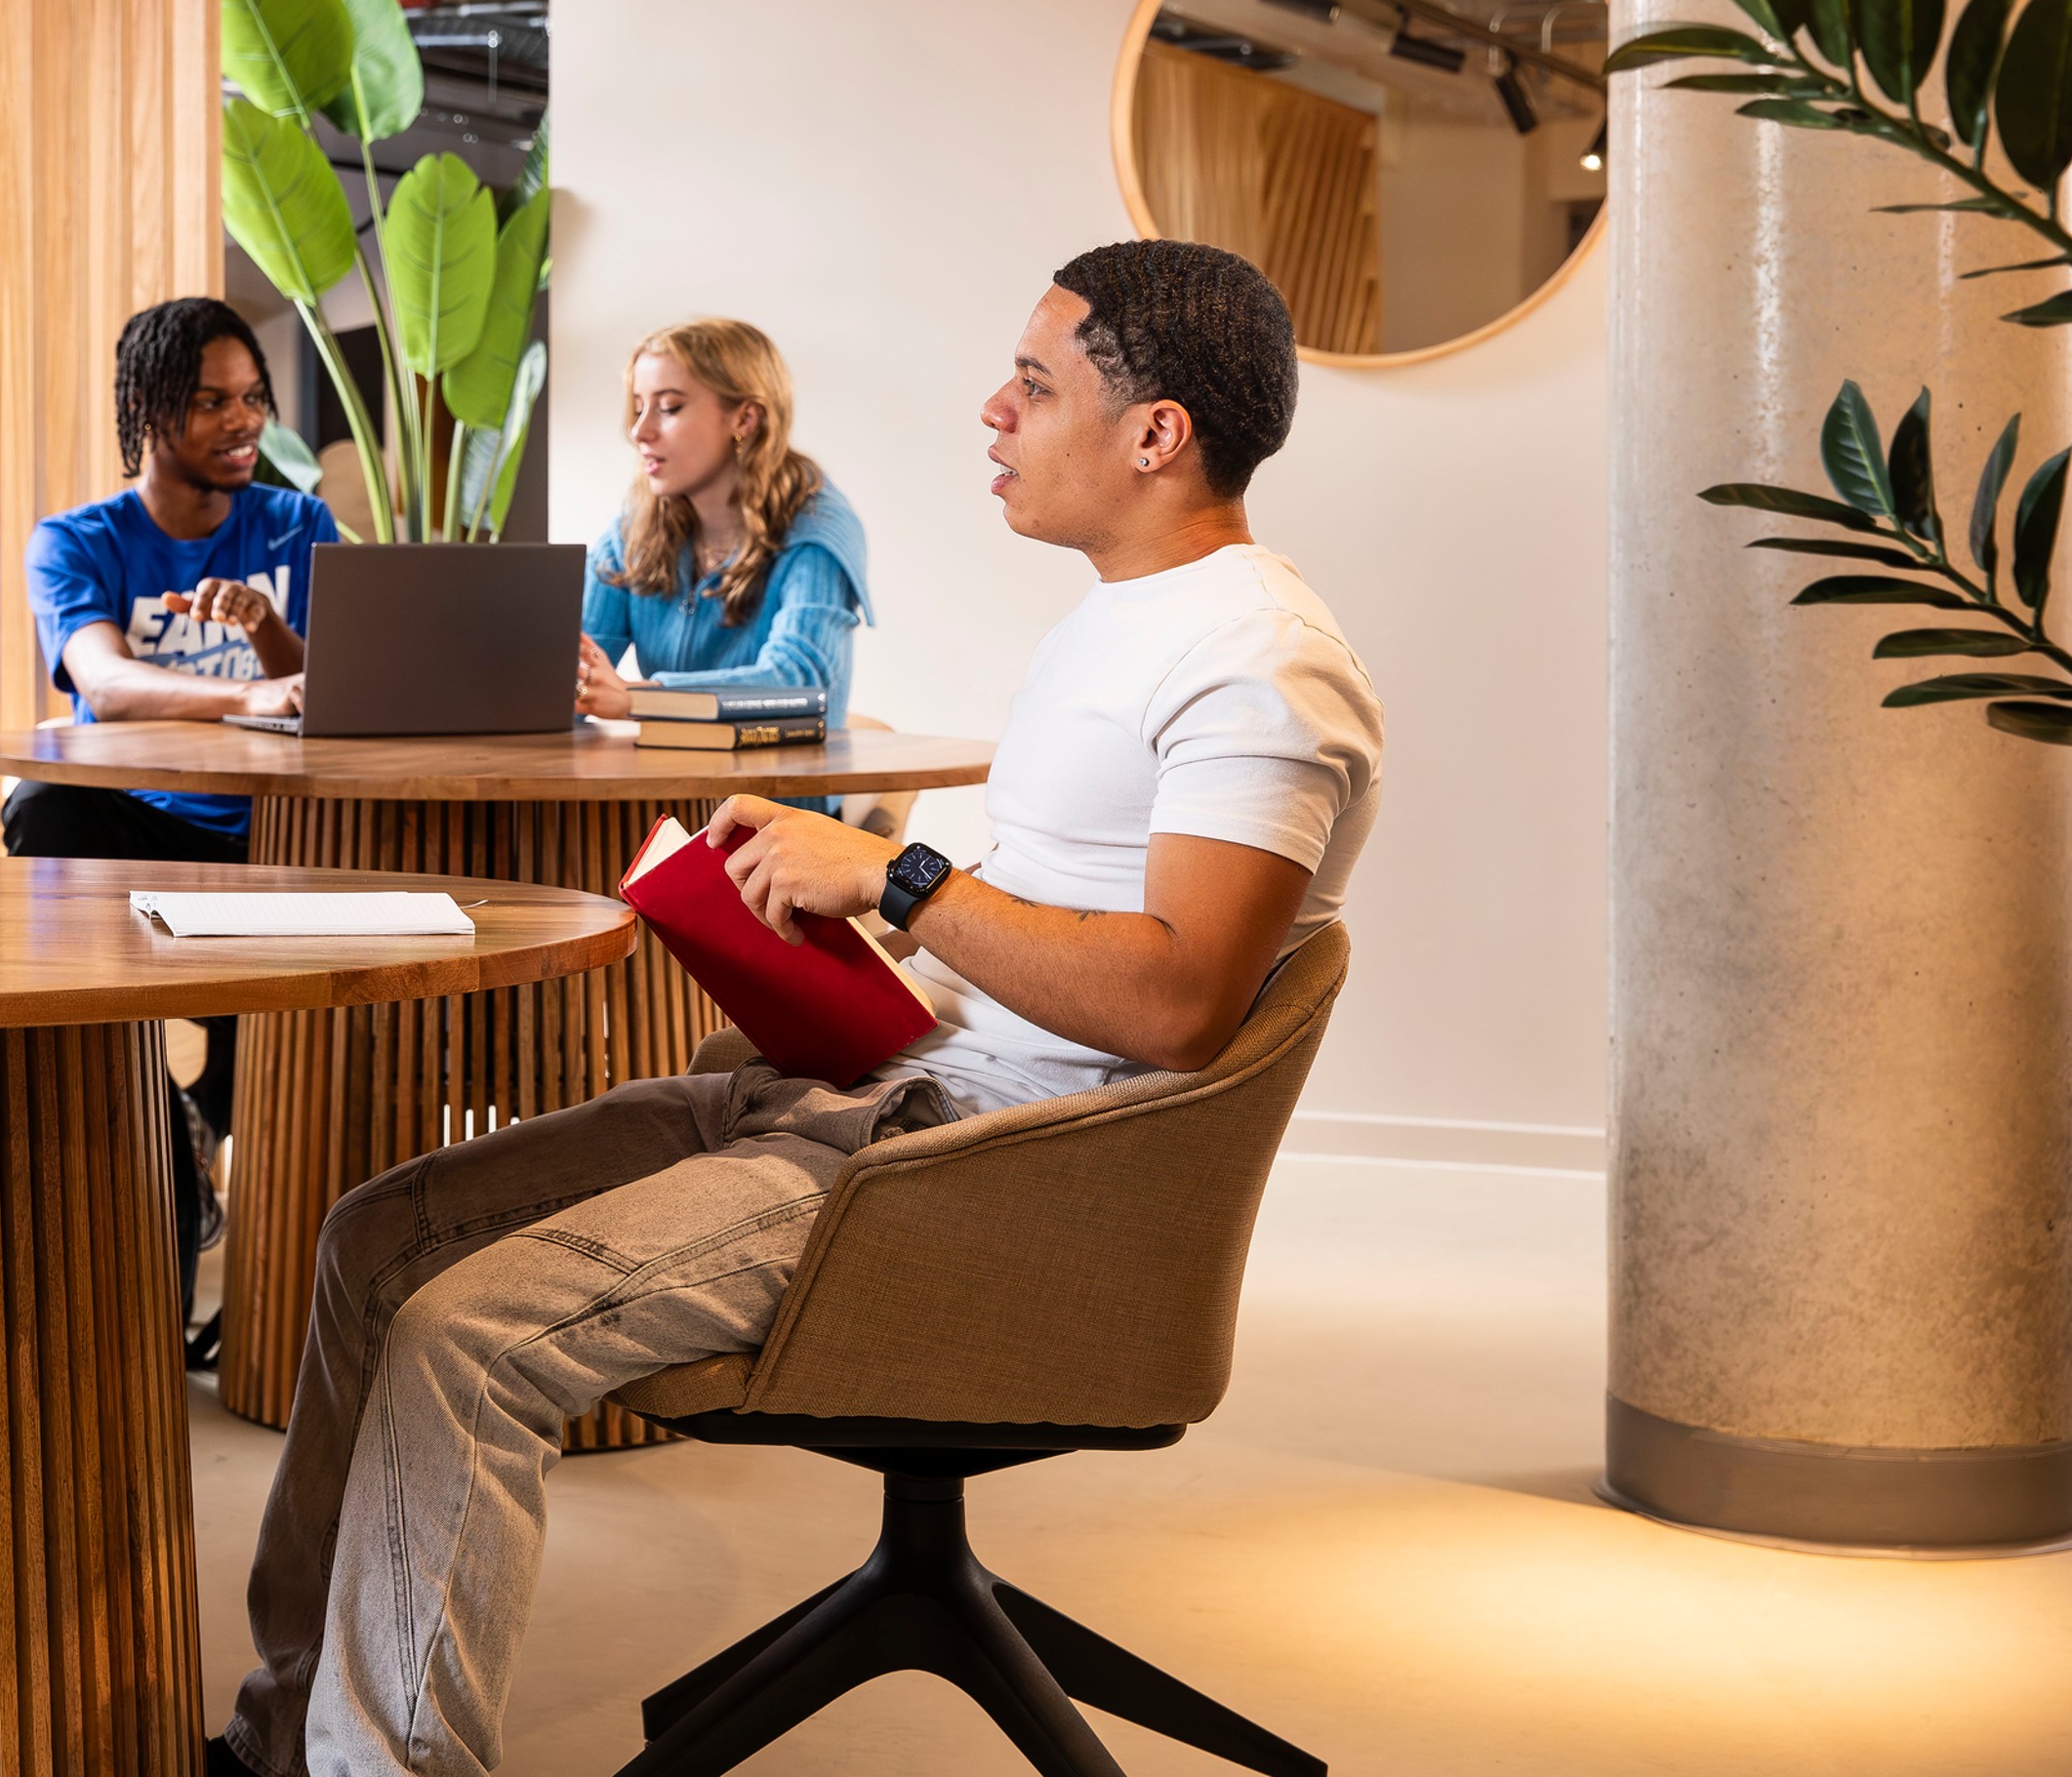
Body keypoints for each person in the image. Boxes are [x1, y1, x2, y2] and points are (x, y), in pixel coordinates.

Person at [206, 240, 1384, 1777]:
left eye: (1034, 385)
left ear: (1157, 433)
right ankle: (291, 1737)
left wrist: (893, 880)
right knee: (378, 1239)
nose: (992, 410)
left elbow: (1171, 1000)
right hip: (880, 1087)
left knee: (467, 1334)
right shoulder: (1121, 616)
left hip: (979, 1176)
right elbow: (1045, 944)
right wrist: (816, 948)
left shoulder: (1265, 666)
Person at [9, 297, 340, 1330]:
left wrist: (273, 635)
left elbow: (333, 686)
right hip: (142, 840)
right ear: (149, 410)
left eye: (251, 398)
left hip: (283, 844)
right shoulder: (78, 540)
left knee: (278, 1032)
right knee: (45, 804)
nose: (241, 420)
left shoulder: (297, 523)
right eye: (209, 401)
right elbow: (100, 678)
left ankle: (209, 1148)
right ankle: (140, 1104)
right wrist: (244, 692)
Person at [574, 316, 873, 723]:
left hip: (772, 787)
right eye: (639, 407)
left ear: (745, 419)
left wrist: (637, 698)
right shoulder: (634, 529)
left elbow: (799, 682)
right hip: (668, 783)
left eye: (669, 407)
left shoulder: (817, 530)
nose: (639, 431)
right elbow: (574, 670)